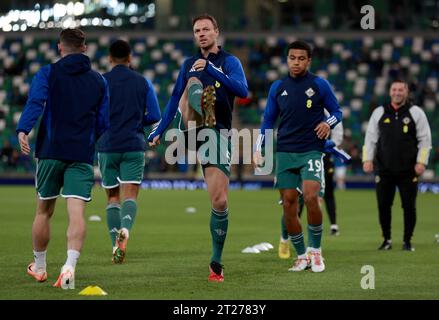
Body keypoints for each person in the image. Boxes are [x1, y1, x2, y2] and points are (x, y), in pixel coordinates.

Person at [148, 14, 248, 282]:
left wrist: (213, 71)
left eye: (206, 29)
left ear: (216, 31)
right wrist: (159, 128)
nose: (201, 34)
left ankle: (216, 262)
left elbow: (243, 90)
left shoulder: (230, 62)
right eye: (196, 30)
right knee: (191, 83)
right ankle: (192, 117)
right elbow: (171, 98)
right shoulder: (189, 64)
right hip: (197, 129)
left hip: (219, 134)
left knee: (220, 201)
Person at [16, 28, 110, 289]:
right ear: (84, 48)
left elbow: (36, 103)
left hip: (50, 151)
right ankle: (69, 266)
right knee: (76, 212)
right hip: (81, 153)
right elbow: (103, 122)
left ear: (60, 48)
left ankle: (40, 266)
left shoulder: (47, 73)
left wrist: (24, 129)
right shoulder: (100, 81)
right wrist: (87, 137)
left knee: (44, 211)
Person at [253, 40, 342, 272]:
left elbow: (337, 111)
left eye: (301, 58)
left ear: (309, 61)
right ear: (287, 59)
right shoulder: (277, 87)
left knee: (312, 197)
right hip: (285, 152)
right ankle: (301, 256)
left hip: (311, 149)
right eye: (292, 58)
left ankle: (316, 253)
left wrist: (328, 123)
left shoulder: (320, 84)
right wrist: (258, 149)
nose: (296, 62)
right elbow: (268, 121)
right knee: (289, 205)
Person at [97, 40, 161, 263]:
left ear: (109, 58)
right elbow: (154, 115)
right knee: (130, 195)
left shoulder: (101, 81)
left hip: (107, 145)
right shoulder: (143, 82)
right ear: (130, 57)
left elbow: (93, 113)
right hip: (133, 144)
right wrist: (136, 120)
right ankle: (126, 228)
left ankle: (115, 244)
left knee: (112, 197)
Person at [363, 80, 432, 251]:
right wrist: (367, 159)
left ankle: (407, 241)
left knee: (409, 206)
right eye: (394, 89)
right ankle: (386, 240)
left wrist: (421, 162)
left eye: (401, 89)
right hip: (384, 169)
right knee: (383, 206)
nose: (397, 92)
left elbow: (425, 140)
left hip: (408, 170)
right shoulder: (379, 112)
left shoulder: (416, 113)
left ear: (406, 92)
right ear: (390, 92)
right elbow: (370, 139)